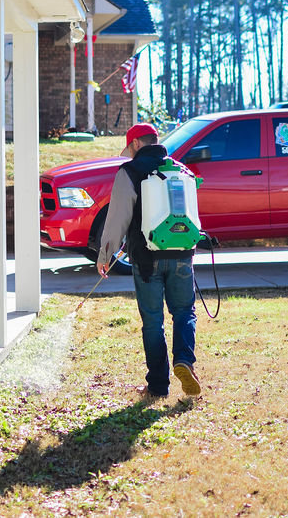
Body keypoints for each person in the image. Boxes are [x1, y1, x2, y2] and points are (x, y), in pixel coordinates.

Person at [97, 122, 201, 399]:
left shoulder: (129, 171)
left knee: (153, 322)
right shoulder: (180, 169)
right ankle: (185, 361)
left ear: (135, 144)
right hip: (181, 254)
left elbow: (118, 217)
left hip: (145, 259)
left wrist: (105, 255)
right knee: (184, 312)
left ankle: (158, 386)